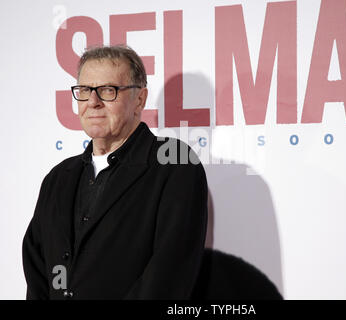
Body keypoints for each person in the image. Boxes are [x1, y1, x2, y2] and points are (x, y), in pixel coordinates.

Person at [22, 45, 208, 300]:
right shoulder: (58, 178)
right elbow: (37, 270)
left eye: (108, 91)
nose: (93, 102)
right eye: (85, 91)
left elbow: (168, 275)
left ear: (139, 99)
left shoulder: (175, 165)